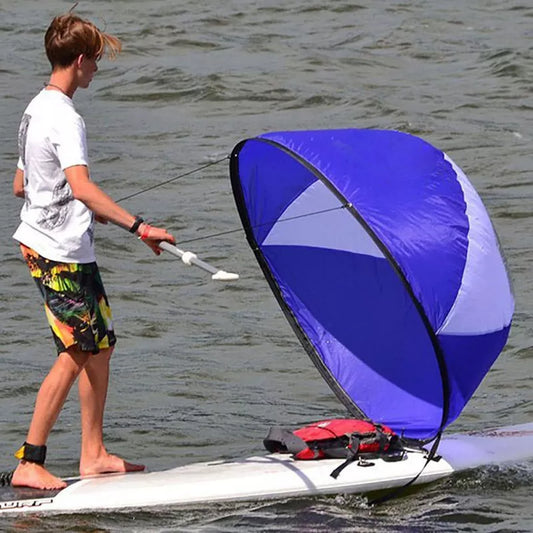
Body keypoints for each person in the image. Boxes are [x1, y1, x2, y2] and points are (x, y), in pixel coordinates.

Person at [10, 11, 175, 490]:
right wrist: (139, 226)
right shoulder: (65, 116)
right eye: (95, 62)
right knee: (77, 348)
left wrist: (78, 204)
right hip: (56, 251)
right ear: (79, 60)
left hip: (61, 243)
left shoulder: (35, 108)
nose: (96, 71)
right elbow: (80, 185)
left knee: (100, 345)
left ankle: (93, 453)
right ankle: (30, 460)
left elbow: (22, 184)